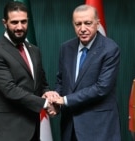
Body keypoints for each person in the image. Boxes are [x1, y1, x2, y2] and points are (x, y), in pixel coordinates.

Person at [0, 1, 58, 141]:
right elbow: (10, 90)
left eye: (23, 22)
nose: (20, 27)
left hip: (33, 130)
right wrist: (45, 104)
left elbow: (41, 83)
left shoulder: (34, 50)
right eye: (14, 22)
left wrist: (48, 94)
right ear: (4, 23)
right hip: (7, 132)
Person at [53, 4, 121, 141]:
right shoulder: (66, 48)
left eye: (88, 23)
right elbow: (61, 80)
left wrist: (65, 100)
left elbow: (102, 88)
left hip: (98, 127)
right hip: (70, 125)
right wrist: (55, 99)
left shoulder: (110, 49)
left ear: (97, 23)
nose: (82, 29)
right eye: (78, 24)